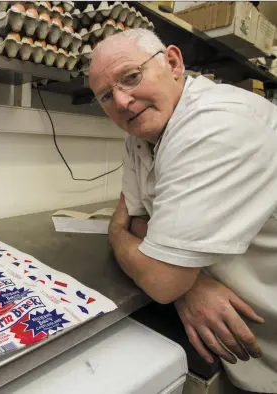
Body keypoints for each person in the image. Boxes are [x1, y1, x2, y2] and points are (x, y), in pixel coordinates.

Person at [88, 28, 277, 393]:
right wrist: (190, 285)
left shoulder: (217, 124)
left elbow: (158, 276)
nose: (122, 102)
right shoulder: (139, 138)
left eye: (131, 77)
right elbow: (142, 221)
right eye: (106, 95)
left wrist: (117, 235)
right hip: (232, 337)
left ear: (173, 63)